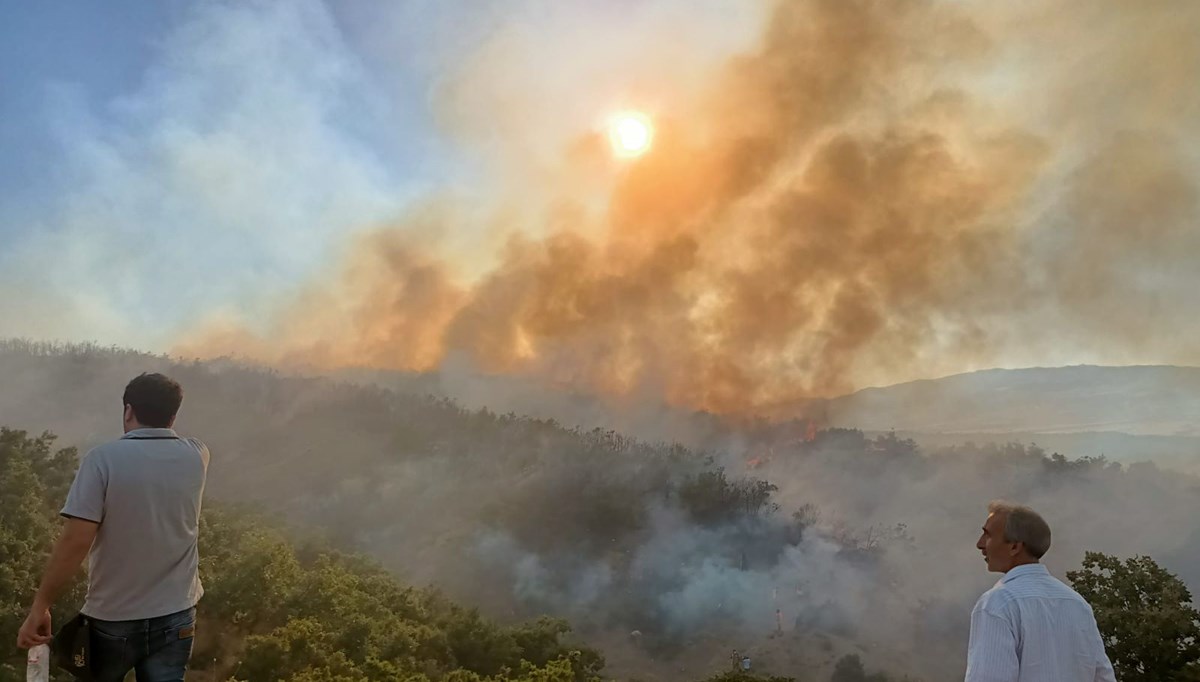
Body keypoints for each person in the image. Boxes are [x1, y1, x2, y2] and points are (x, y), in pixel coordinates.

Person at [16, 373, 210, 682]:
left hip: (113, 619)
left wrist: (41, 606)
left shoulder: (102, 461)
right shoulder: (197, 455)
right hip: (177, 614)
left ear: (128, 410)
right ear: (174, 415)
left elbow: (76, 541)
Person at [965, 501, 1115, 682]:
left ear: (1014, 547)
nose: (979, 544)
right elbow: (1103, 677)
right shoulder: (1077, 603)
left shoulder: (997, 604)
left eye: (987, 535)